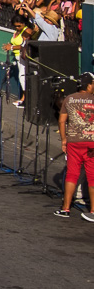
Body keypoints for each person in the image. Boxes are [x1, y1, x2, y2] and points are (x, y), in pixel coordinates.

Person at [54, 72, 94, 220]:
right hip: (91, 142)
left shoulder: (69, 99)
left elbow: (62, 121)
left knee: (72, 174)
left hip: (74, 142)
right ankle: (93, 211)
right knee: (92, 176)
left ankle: (65, 208)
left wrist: (64, 139)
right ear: (89, 85)